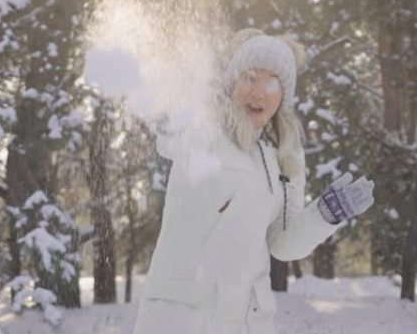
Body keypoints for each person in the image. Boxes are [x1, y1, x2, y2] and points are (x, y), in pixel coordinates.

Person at [132, 28, 375, 334]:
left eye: (272, 81)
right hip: (182, 320)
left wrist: (327, 214)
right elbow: (170, 138)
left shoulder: (283, 159)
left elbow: (282, 243)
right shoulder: (205, 131)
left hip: (245, 323)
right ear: (233, 83)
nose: (259, 92)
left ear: (283, 95)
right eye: (250, 78)